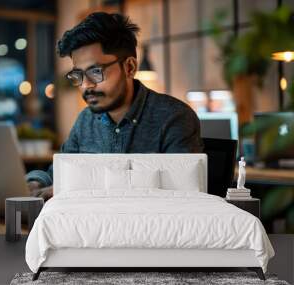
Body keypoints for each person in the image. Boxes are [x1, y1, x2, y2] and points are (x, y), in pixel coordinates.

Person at [26, 12, 203, 200]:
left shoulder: (174, 118)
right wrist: (34, 182)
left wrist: (77, 189)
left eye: (95, 72)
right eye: (78, 75)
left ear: (130, 67)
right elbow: (59, 172)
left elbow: (179, 195)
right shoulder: (86, 120)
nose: (86, 85)